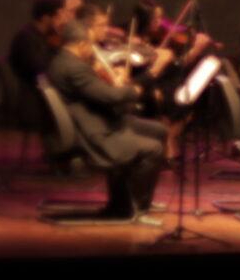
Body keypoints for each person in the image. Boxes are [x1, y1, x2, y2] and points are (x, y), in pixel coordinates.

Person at [45, 20, 165, 223]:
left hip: (89, 124)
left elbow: (98, 94)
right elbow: (110, 97)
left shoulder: (60, 61)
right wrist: (134, 88)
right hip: (92, 135)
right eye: (91, 45)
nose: (93, 49)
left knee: (156, 132)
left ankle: (121, 204)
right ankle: (137, 209)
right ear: (82, 44)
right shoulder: (74, 68)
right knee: (153, 149)